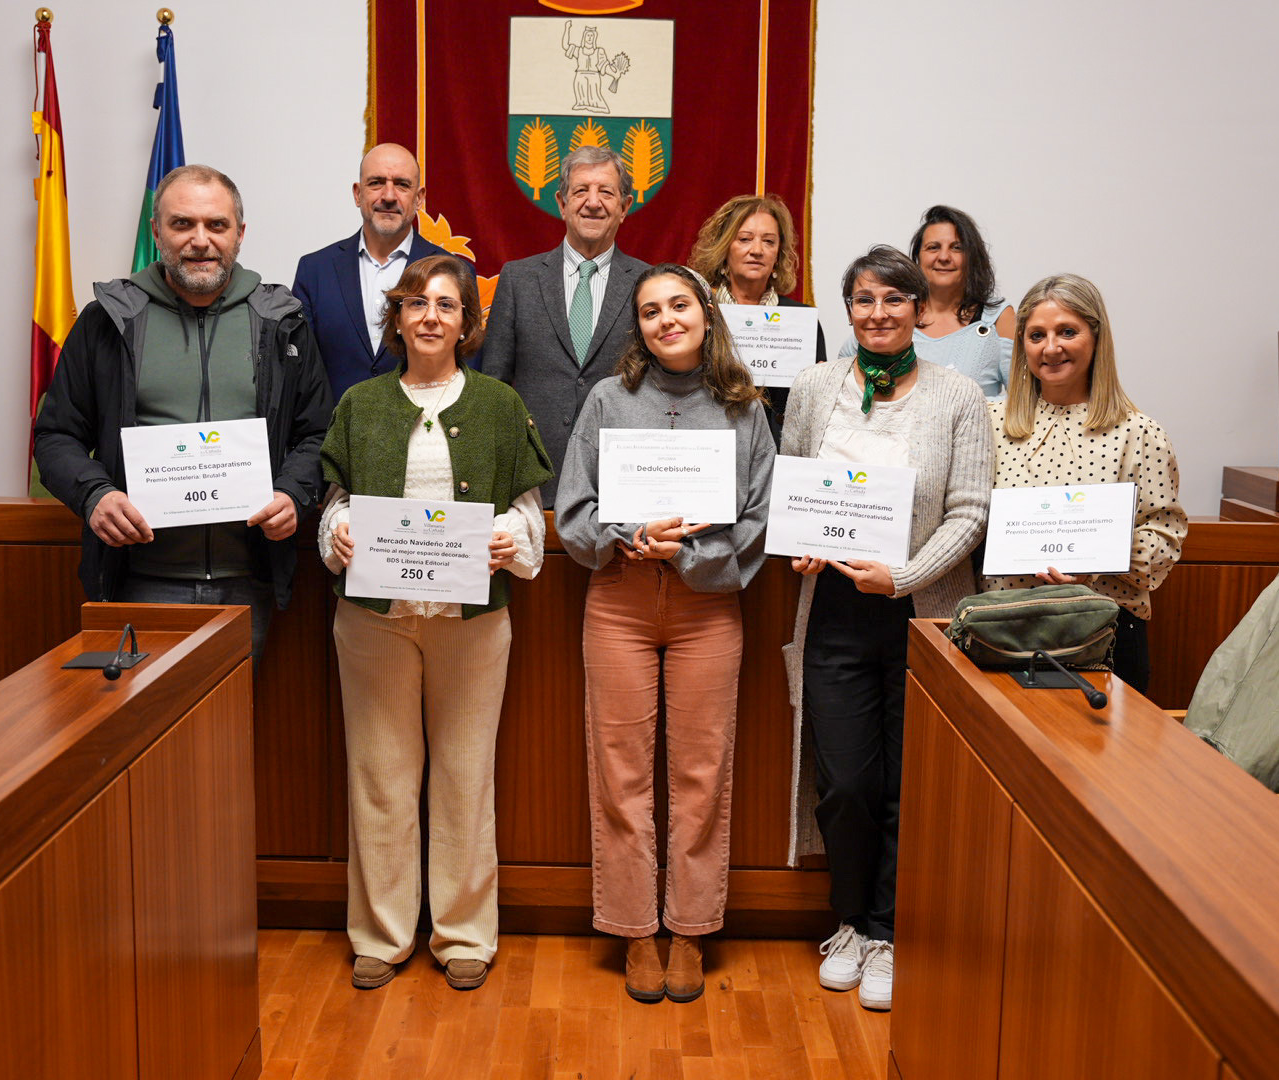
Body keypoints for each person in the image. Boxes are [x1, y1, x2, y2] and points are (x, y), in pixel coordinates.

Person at [318, 254, 553, 993]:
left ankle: (463, 935)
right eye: (416, 302)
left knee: (464, 774)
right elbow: (335, 503)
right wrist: (339, 536)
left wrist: (514, 542)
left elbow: (524, 513)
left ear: (466, 323)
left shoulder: (496, 403)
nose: (430, 316)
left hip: (472, 621)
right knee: (381, 776)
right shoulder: (359, 404)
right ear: (396, 317)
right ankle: (383, 935)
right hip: (375, 623)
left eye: (446, 305)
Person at [556, 263, 775, 1004]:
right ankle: (633, 930)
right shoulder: (607, 401)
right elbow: (573, 514)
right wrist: (625, 535)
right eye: (650, 311)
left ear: (705, 315)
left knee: (700, 772)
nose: (665, 320)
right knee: (620, 773)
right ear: (639, 327)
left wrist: (689, 552)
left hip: (706, 607)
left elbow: (757, 522)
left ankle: (688, 927)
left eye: (679, 305)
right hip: (618, 602)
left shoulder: (744, 410)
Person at [780, 246, 992, 1009]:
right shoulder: (812, 388)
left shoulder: (959, 395)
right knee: (844, 783)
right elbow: (793, 482)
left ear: (918, 309)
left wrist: (902, 576)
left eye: (893, 300)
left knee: (909, 783)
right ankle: (850, 922)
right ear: (849, 311)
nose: (878, 313)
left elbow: (970, 509)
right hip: (831, 610)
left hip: (920, 614)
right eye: (864, 300)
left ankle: (890, 933)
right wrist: (801, 541)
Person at [34, 164, 332, 663]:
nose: (200, 240)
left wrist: (293, 493)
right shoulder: (109, 320)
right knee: (144, 736)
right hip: (138, 581)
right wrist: (96, 496)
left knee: (226, 736)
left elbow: (317, 432)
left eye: (216, 225)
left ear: (240, 233)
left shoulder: (282, 323)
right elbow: (56, 434)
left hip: (247, 584)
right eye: (182, 224)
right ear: (156, 231)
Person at [980, 273, 1187, 695]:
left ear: (1096, 336)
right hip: (1001, 631)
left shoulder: (1139, 433)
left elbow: (1165, 536)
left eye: (1067, 332)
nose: (1051, 347)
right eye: (1036, 335)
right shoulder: (988, 422)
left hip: (1103, 635)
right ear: (1021, 345)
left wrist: (1096, 559)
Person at [483, 144, 649, 506]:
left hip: (620, 485)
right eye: (580, 191)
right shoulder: (519, 278)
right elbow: (492, 386)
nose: (593, 202)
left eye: (606, 192)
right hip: (529, 481)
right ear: (561, 202)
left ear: (625, 206)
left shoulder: (648, 285)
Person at [291, 143, 465, 400]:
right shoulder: (315, 270)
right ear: (357, 194)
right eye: (376, 183)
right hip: (335, 434)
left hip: (424, 433)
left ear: (419, 198)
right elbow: (300, 371)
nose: (389, 196)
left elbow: (467, 366)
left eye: (402, 185)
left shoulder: (453, 272)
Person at [837, 205, 1015, 397]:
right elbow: (843, 385)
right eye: (933, 247)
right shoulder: (884, 320)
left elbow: (1023, 398)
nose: (944, 257)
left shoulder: (997, 318)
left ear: (972, 257)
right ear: (917, 257)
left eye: (957, 248)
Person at [688, 193, 826, 434]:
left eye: (769, 241)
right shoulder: (699, 314)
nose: (757, 250)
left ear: (778, 253)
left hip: (779, 447)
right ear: (724, 247)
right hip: (708, 440)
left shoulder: (802, 323)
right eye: (744, 239)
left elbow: (813, 406)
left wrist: (820, 382)